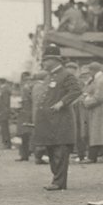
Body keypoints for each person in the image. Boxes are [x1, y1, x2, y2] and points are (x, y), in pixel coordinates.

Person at [32, 46, 83, 191]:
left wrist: (62, 102)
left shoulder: (65, 75)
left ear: (54, 60)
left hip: (61, 122)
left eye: (46, 60)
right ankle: (57, 181)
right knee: (52, 151)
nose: (44, 63)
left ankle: (59, 183)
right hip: (49, 122)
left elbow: (76, 90)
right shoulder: (49, 76)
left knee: (60, 153)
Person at [80, 62, 103, 163]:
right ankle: (102, 154)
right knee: (100, 133)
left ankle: (92, 157)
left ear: (93, 70)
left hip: (98, 110)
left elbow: (98, 98)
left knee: (96, 133)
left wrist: (86, 102)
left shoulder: (100, 81)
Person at [16, 72, 34, 162]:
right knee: (23, 134)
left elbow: (31, 100)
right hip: (24, 112)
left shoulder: (27, 88)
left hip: (27, 112)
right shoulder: (23, 88)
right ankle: (24, 154)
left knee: (26, 134)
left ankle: (25, 154)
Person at [0, 77, 13, 149]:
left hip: (3, 111)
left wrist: (2, 111)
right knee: (3, 128)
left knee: (5, 128)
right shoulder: (3, 89)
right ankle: (5, 143)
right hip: (2, 111)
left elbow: (5, 102)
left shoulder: (5, 90)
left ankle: (7, 143)